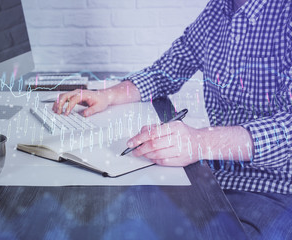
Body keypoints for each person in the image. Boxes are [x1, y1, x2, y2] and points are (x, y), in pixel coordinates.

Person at [53, 0, 292, 238]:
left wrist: (199, 142)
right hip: (213, 172)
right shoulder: (218, 9)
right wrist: (107, 95)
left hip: (274, 189)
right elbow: (166, 70)